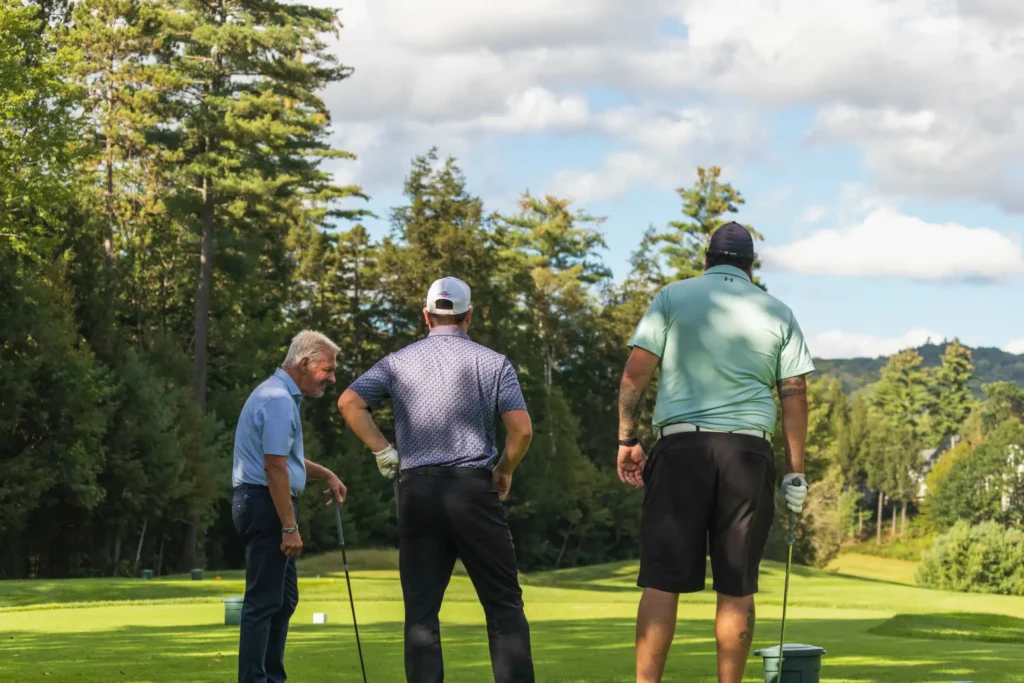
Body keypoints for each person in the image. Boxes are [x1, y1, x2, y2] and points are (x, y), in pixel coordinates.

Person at [615, 222, 812, 683]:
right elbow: (795, 395)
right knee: (736, 586)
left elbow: (634, 376)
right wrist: (796, 473)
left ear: (706, 261)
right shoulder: (778, 311)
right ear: (750, 267)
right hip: (748, 455)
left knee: (662, 581)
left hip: (681, 447)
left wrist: (628, 438)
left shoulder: (671, 296)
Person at [338, 276, 536, 683]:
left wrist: (383, 451)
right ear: (470, 316)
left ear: (426, 315)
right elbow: (522, 431)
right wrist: (504, 471)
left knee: (422, 615)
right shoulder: (493, 362)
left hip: (418, 491)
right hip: (472, 490)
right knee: (503, 608)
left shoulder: (397, 361)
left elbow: (350, 401)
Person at [231, 330, 349, 683]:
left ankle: (271, 678)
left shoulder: (279, 395)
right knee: (263, 602)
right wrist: (289, 526)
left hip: (264, 502)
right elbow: (274, 467)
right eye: (327, 370)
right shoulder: (278, 399)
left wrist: (325, 473)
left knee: (282, 601)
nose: (332, 378)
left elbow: (287, 460)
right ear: (304, 363)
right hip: (265, 504)